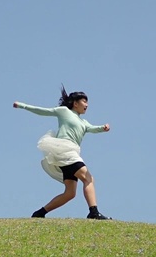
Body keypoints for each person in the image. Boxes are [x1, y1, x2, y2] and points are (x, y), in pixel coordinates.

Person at [13, 85, 112, 220]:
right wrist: (22, 106)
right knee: (88, 178)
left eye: (87, 102)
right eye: (84, 101)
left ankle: (39, 213)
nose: (87, 105)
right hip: (65, 151)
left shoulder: (83, 122)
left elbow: (93, 128)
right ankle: (93, 212)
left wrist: (103, 128)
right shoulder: (64, 111)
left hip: (69, 154)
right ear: (75, 103)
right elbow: (43, 111)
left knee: (70, 193)